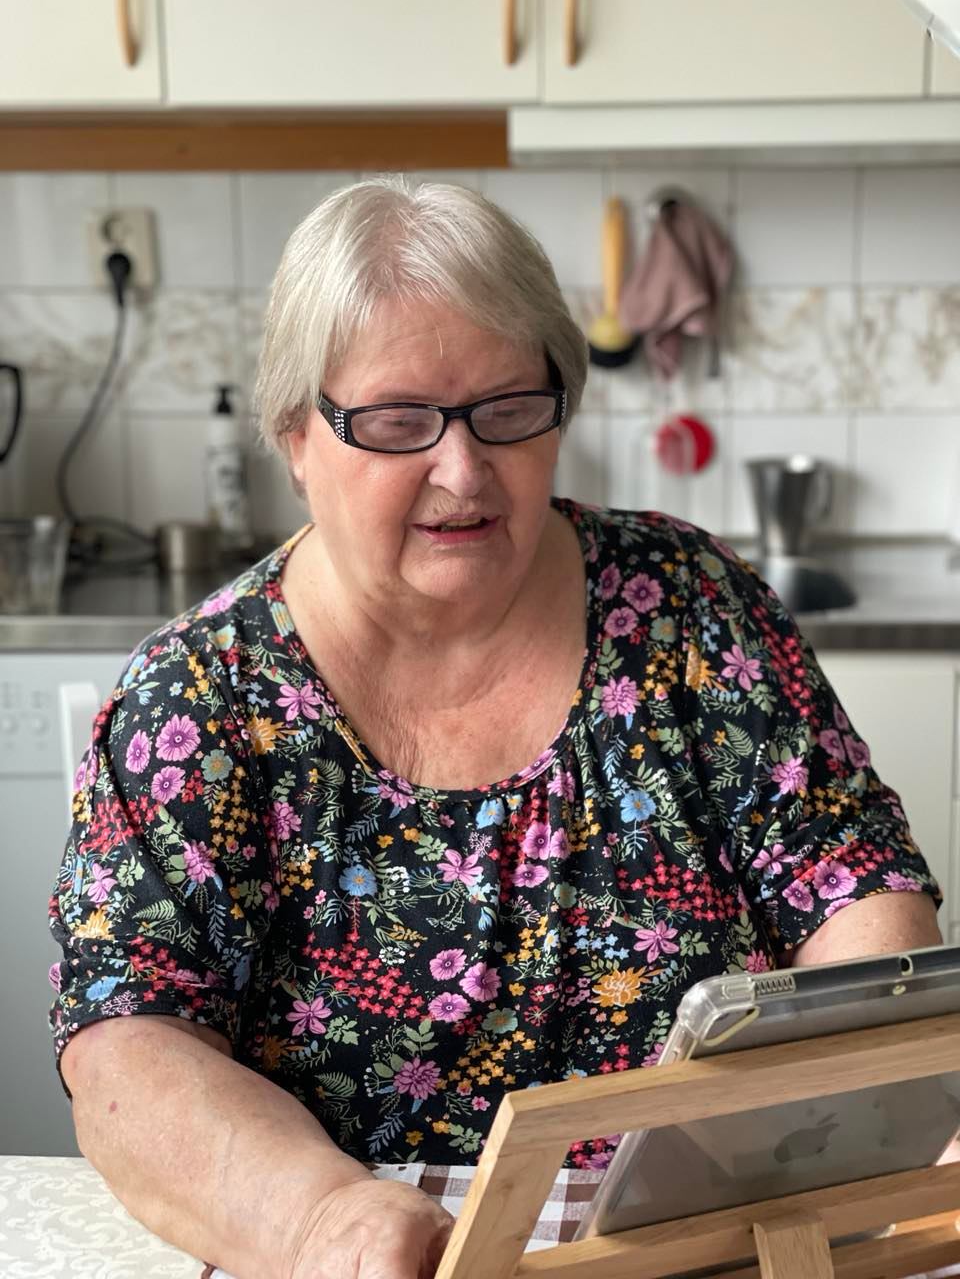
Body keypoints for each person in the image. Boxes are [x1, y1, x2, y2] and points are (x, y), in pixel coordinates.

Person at [50, 177, 942, 1279]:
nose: (464, 471)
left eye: (509, 409)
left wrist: (874, 1100)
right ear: (295, 435)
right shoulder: (199, 696)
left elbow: (854, 890)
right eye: (397, 421)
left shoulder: (693, 607)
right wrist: (323, 1222)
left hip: (712, 1235)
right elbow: (132, 1041)